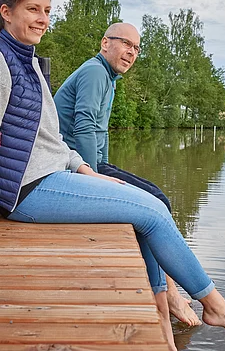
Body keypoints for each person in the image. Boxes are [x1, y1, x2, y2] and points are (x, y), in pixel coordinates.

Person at [0, 0, 225, 351]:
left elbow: (51, 140)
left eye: (47, 11)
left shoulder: (27, 64)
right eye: (33, 9)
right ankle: (214, 305)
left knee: (145, 206)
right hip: (26, 191)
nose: (43, 19)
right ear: (6, 12)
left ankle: (172, 307)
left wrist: (84, 169)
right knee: (152, 210)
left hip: (52, 176)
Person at [54, 22, 201, 327]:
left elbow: (99, 131)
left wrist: (104, 166)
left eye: (136, 48)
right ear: (105, 42)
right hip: (70, 164)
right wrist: (94, 179)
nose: (132, 52)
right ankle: (168, 293)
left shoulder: (109, 78)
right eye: (126, 44)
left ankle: (167, 287)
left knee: (157, 198)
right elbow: (82, 127)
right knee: (153, 202)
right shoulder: (95, 72)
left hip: (87, 161)